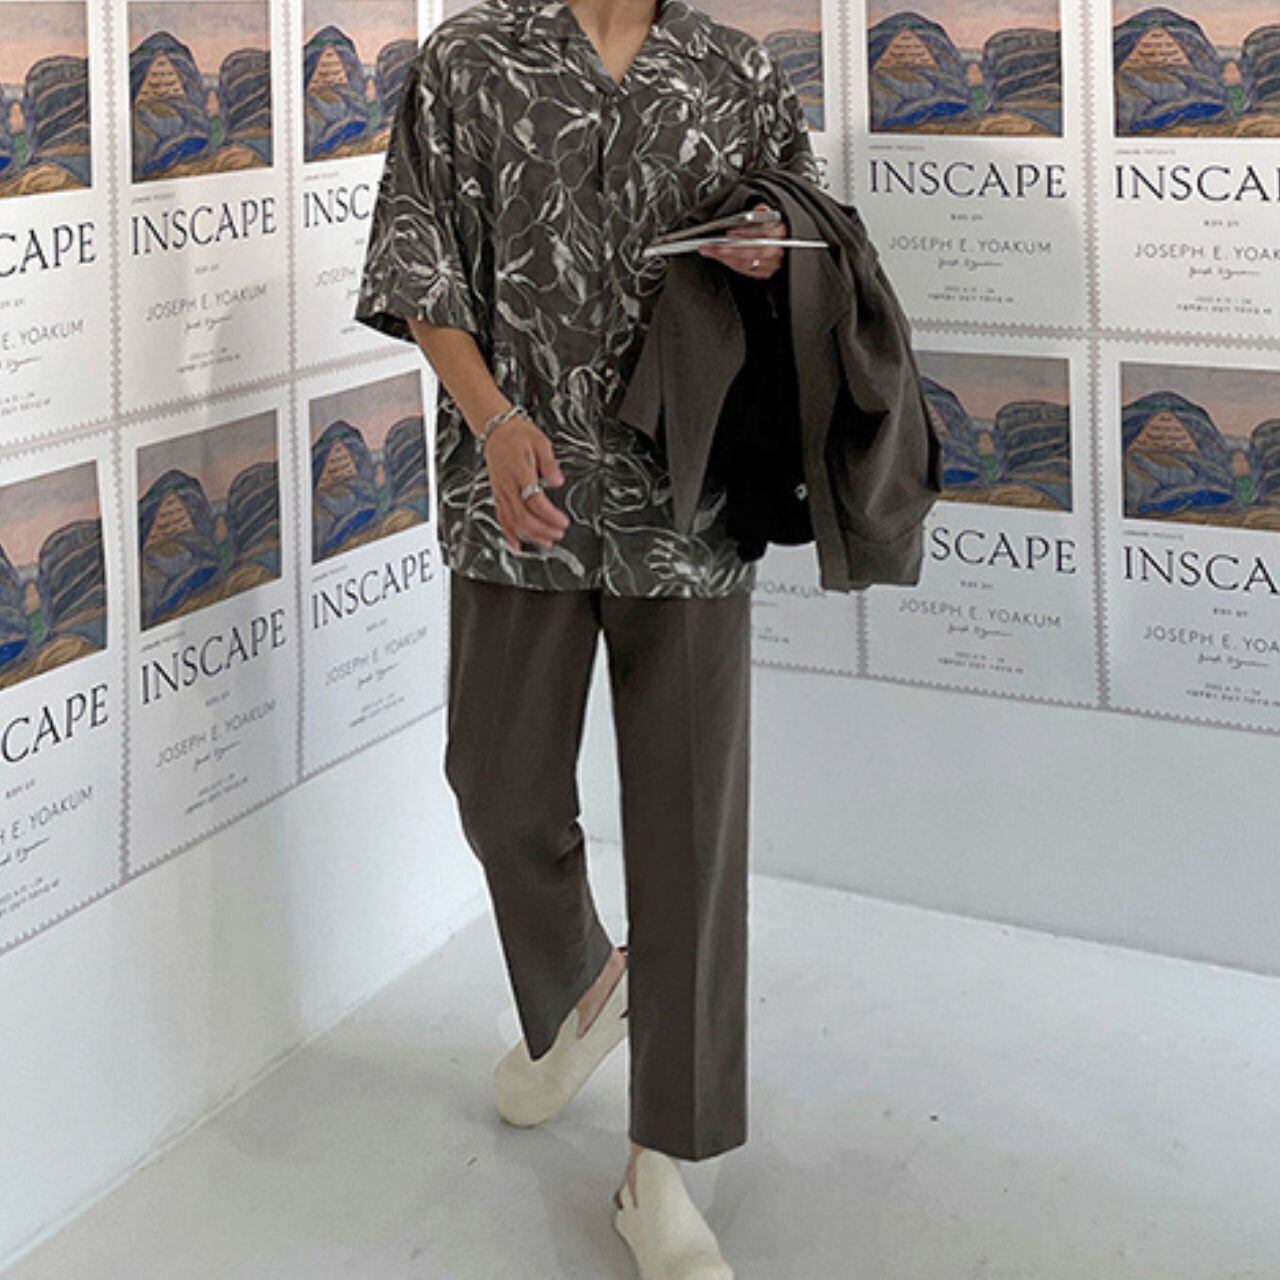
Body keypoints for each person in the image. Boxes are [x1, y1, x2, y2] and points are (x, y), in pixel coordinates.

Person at [354, 0, 818, 1273]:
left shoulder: (731, 68)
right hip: (520, 494)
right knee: (496, 784)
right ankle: (580, 984)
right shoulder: (469, 59)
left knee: (688, 835)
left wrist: (767, 239)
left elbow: (805, 227)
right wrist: (496, 423)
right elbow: (417, 267)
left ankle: (660, 1163)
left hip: (690, 500)